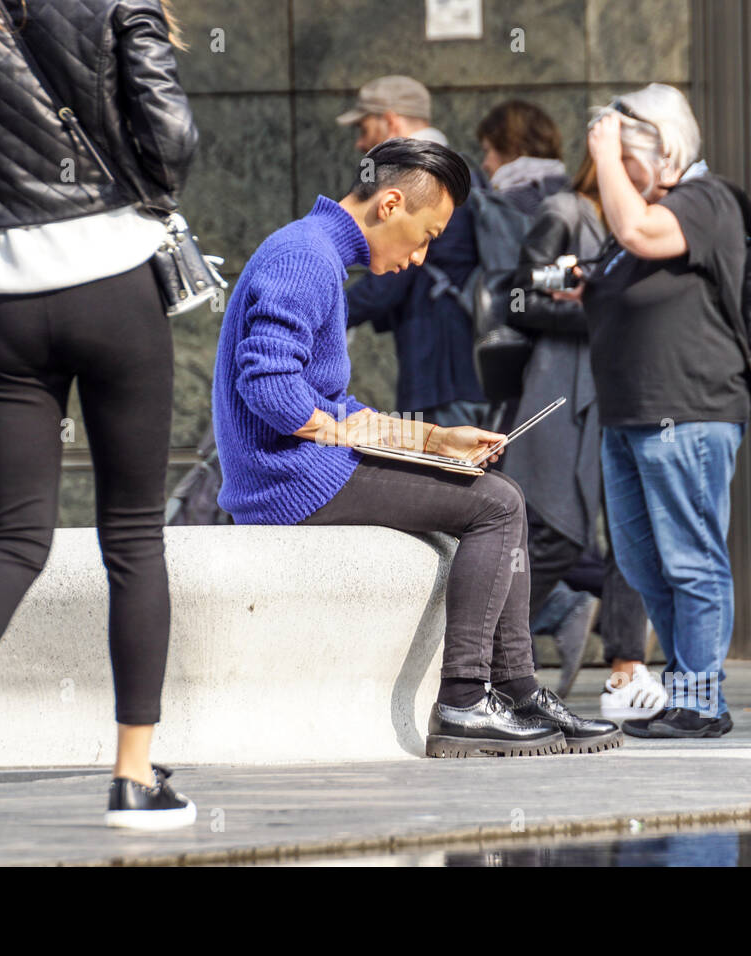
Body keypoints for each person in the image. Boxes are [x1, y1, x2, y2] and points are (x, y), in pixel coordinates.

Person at [212, 137, 621, 758]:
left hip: (302, 468)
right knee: (499, 505)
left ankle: (514, 691)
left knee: (498, 495)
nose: (422, 255)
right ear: (390, 204)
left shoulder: (315, 252)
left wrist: (432, 440)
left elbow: (328, 405)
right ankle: (465, 701)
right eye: (425, 235)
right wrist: (347, 434)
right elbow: (269, 388)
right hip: (286, 482)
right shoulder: (303, 256)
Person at [0, 0, 197, 835]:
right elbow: (171, 133)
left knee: (15, 537)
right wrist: (152, 195)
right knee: (134, 536)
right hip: (113, 285)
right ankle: (134, 780)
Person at [575, 83, 748, 738]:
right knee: (647, 565)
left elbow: (638, 232)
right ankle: (686, 692)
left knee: (690, 558)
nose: (611, 172)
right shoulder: (655, 208)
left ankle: (703, 701)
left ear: (657, 145)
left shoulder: (707, 201)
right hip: (629, 415)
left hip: (687, 411)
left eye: (622, 155)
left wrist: (606, 149)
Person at [498, 141, 662, 715]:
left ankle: (625, 666)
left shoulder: (648, 227)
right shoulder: (568, 213)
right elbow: (521, 292)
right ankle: (482, 656)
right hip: (564, 388)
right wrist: (593, 307)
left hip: (622, 390)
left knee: (629, 531)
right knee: (556, 532)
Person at [338, 76, 488, 428]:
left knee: (447, 479)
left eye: (364, 127)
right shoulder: (459, 172)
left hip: (441, 371)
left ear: (391, 121)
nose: (361, 143)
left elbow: (392, 279)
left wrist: (331, 310)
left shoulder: (425, 178)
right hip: (455, 366)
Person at [476, 99, 569, 215]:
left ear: (511, 148)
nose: (485, 164)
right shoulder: (574, 196)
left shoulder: (505, 208)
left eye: (487, 151)